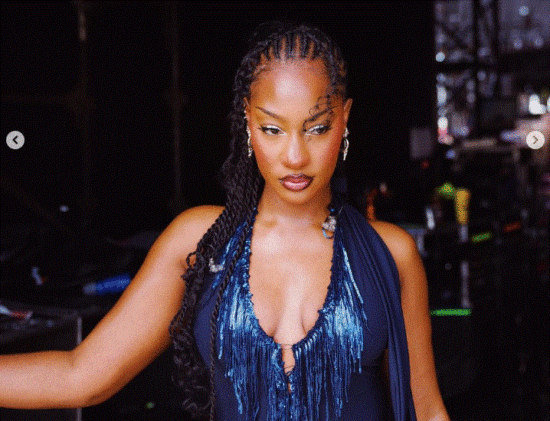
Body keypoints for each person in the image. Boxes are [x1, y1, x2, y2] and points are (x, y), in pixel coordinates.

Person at [0, 21, 449, 421]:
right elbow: (81, 376)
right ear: (247, 122)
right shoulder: (200, 241)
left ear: (344, 119)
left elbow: (427, 411)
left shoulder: (389, 254)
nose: (295, 156)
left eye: (316, 128)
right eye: (272, 129)